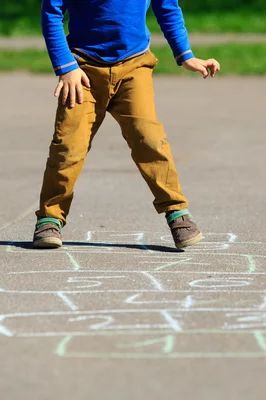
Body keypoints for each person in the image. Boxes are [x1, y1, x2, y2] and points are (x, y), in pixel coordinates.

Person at [33, 0, 220, 250]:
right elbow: (51, 12)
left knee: (149, 139)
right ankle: (50, 217)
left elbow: (167, 7)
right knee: (68, 145)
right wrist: (66, 67)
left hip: (135, 66)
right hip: (83, 70)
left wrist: (185, 54)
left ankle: (176, 212)